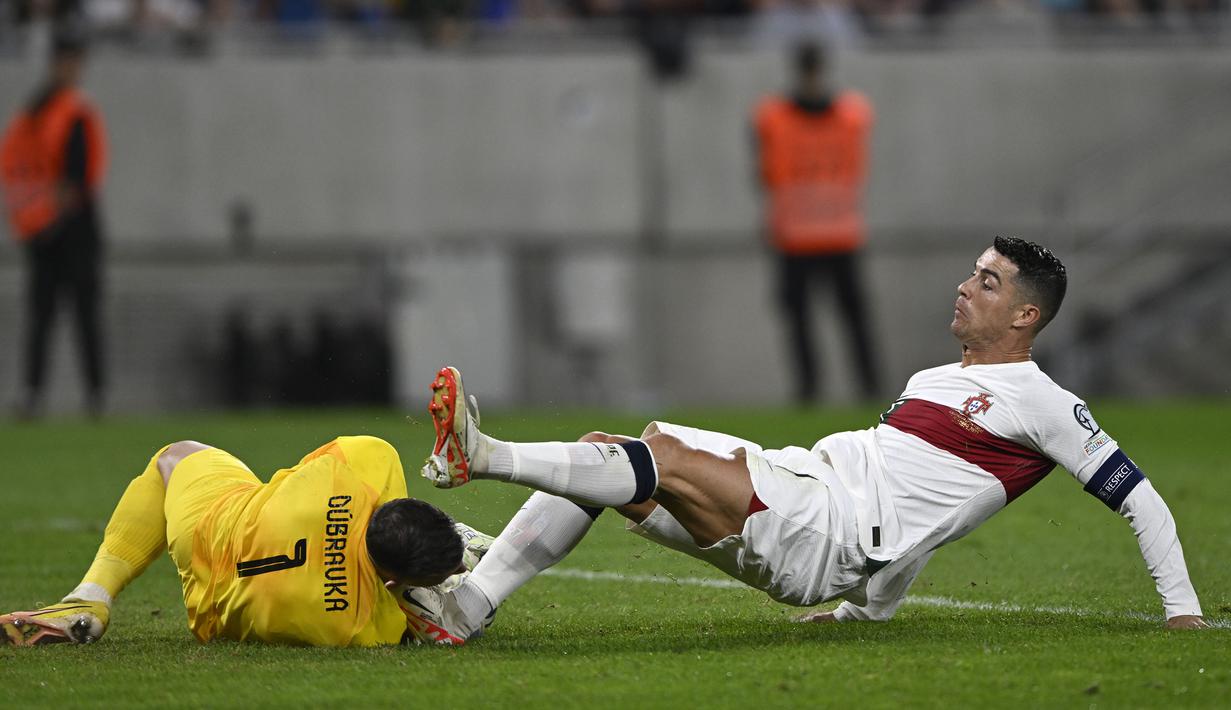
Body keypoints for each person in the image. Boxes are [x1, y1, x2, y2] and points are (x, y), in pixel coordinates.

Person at [396, 236, 1206, 644]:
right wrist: (865, 613)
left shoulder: (1046, 404)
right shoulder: (935, 377)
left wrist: (1181, 613)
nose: (964, 286)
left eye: (986, 282)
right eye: (971, 272)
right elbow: (925, 510)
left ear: (1025, 315)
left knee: (657, 460)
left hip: (823, 530)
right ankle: (467, 608)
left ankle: (484, 457)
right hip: (807, 489)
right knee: (613, 450)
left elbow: (1140, 501)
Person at [1, 435, 494, 647]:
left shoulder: (361, 464)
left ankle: (90, 596)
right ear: (394, 577)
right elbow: (417, 623)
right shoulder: (359, 626)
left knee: (175, 456)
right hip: (211, 611)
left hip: (205, 530)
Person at [753, 40, 878, 403]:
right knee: (802, 319)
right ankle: (810, 391)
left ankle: (867, 387)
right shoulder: (777, 117)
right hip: (800, 234)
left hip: (835, 233)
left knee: (851, 316)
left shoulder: (846, 115)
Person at [0, 27, 108, 418]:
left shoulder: (68, 111)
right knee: (43, 315)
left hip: (73, 227)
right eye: (67, 60)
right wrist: (41, 214)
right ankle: (34, 393)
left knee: (84, 315)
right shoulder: (43, 111)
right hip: (49, 228)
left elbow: (79, 177)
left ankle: (95, 394)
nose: (71, 68)